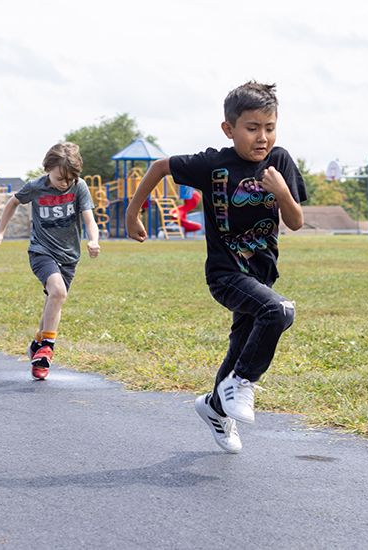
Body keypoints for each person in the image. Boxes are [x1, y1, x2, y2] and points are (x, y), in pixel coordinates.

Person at [126, 81, 306, 454]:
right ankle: (241, 383)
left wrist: (282, 192)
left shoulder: (281, 161)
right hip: (226, 274)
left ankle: (214, 407)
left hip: (262, 274)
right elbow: (161, 166)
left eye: (270, 128)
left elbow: (296, 220)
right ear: (229, 129)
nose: (263, 137)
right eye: (252, 128)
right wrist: (132, 212)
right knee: (278, 311)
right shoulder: (214, 164)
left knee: (244, 342)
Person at [0, 142, 99, 379]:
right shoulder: (36, 187)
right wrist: (0, 232)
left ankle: (37, 349)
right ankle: (48, 349)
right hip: (42, 250)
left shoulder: (78, 187)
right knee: (58, 292)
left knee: (54, 301)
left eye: (70, 179)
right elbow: (13, 202)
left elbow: (89, 218)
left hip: (69, 255)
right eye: (60, 178)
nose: (65, 184)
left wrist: (93, 240)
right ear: (48, 168)